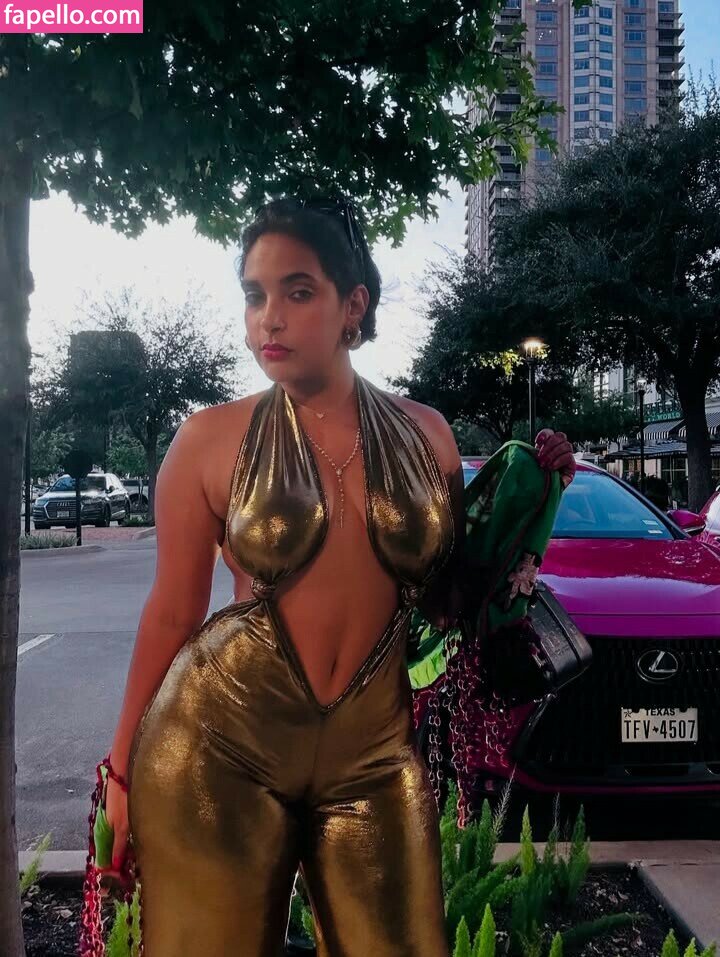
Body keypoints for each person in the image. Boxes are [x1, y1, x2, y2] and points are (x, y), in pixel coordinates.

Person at [98, 197, 576, 957]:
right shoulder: (207, 441)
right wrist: (121, 774)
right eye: (254, 294)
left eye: (297, 291)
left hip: (373, 756)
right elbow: (171, 613)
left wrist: (533, 495)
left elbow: (450, 600)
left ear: (352, 305)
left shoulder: (428, 435)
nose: (269, 318)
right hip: (219, 746)